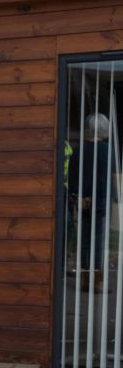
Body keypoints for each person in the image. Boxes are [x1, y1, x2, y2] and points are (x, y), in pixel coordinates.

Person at [69, 112, 118, 290]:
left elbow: (73, 177)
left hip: (83, 200)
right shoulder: (107, 150)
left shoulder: (78, 150)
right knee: (98, 241)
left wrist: (80, 196)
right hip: (101, 199)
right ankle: (96, 281)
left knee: (84, 239)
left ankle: (85, 279)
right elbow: (108, 177)